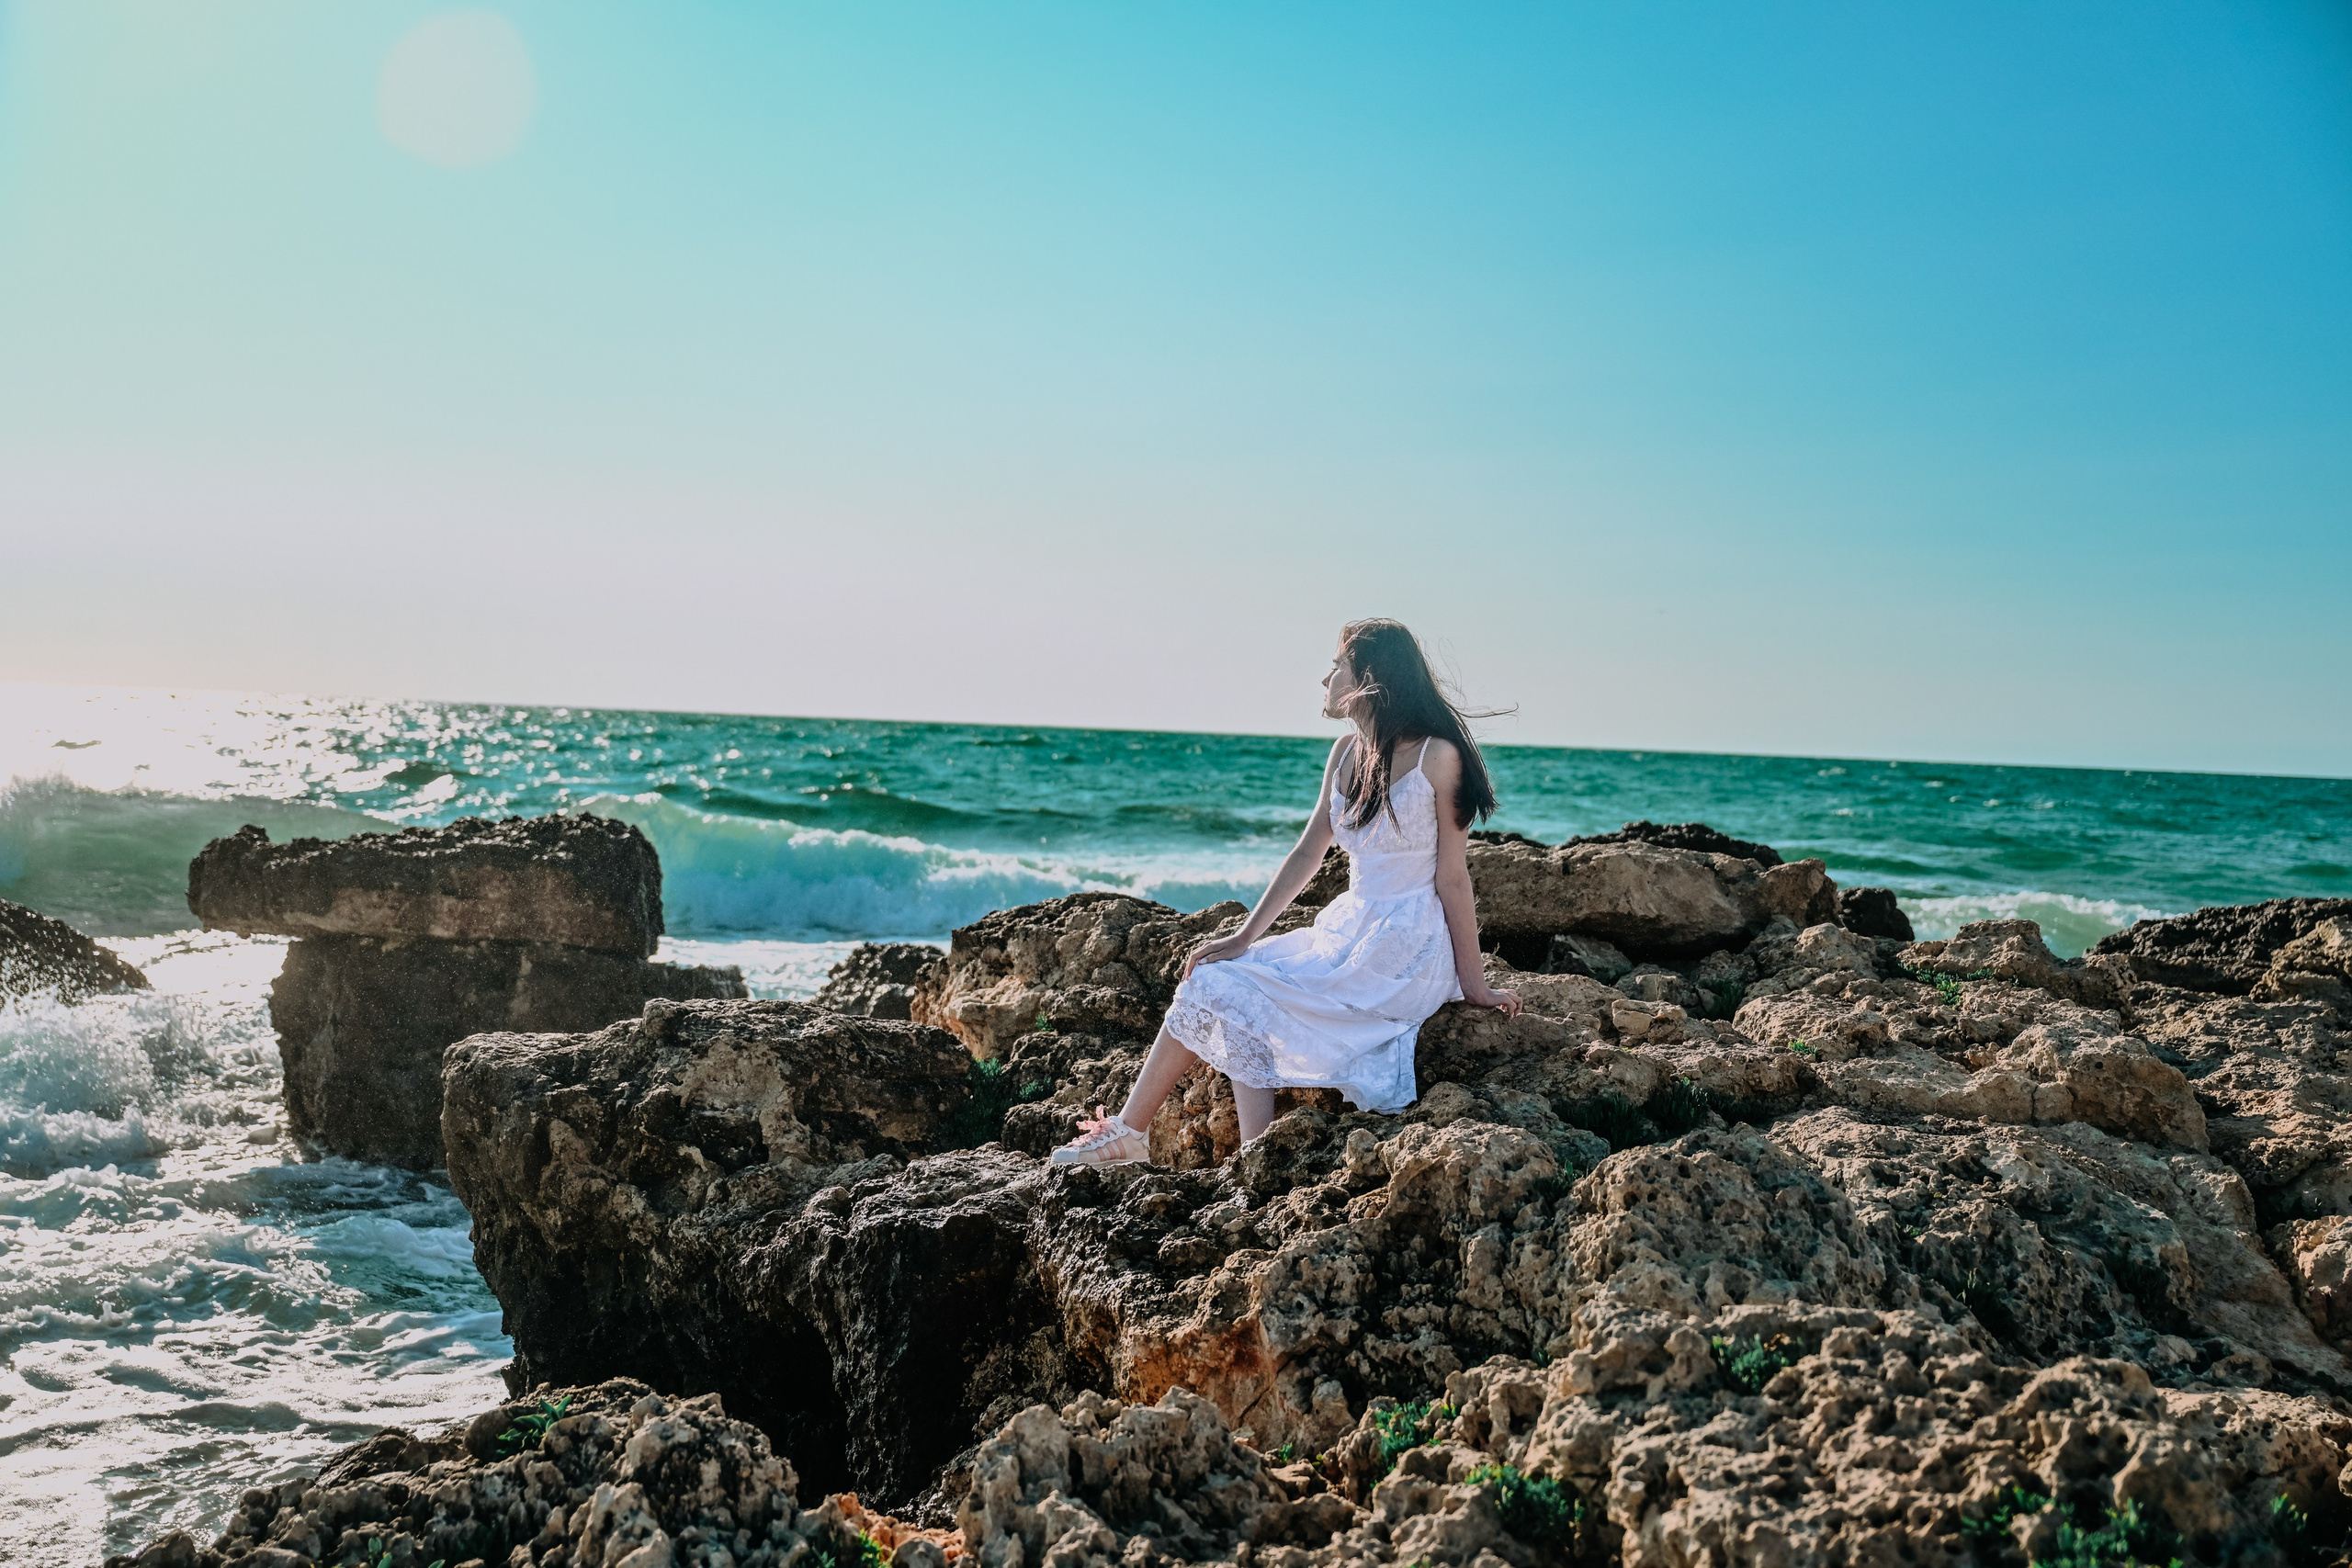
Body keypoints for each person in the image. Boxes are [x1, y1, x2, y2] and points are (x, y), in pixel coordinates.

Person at [1051, 618, 1522, 1168]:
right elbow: (1307, 852)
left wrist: (1474, 985)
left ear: (1367, 678)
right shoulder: (1347, 753)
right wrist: (1244, 937)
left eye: (1336, 666)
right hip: (1350, 927)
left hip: (1405, 946)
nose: (1326, 678)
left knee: (1250, 996)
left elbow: (1452, 879)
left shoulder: (1436, 757)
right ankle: (1169, 1140)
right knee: (1218, 977)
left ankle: (1222, 1152)